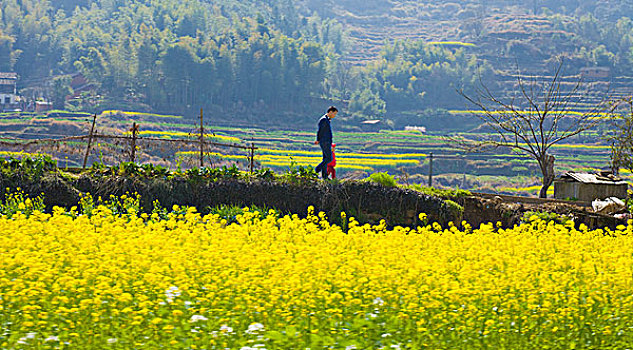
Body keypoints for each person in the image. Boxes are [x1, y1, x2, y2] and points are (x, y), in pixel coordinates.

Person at [314, 106, 338, 179]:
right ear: (330, 112)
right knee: (329, 158)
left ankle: (324, 176)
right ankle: (317, 169)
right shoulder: (324, 120)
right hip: (324, 142)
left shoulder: (327, 119)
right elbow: (320, 130)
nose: (334, 116)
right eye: (334, 114)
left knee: (325, 158)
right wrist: (318, 139)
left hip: (327, 141)